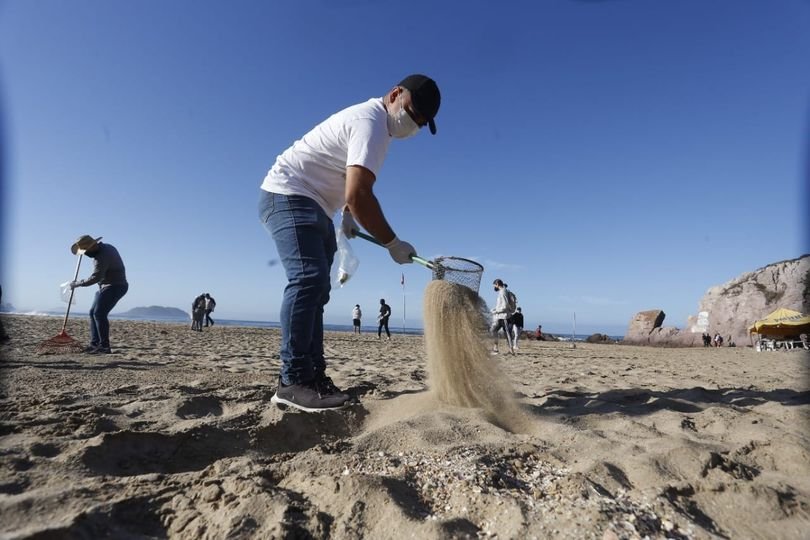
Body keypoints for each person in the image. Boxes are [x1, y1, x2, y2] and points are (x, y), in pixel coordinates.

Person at [258, 74, 441, 412]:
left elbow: (346, 180)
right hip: (288, 194)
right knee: (308, 280)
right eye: (413, 113)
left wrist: (346, 215)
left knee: (318, 291)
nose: (413, 124)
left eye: (421, 123)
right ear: (395, 94)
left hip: (316, 204)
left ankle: (313, 377)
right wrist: (392, 243)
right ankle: (292, 380)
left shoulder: (380, 132)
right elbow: (359, 194)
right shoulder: (370, 121)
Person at [69, 235, 128, 354]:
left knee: (99, 313)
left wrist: (78, 283)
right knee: (93, 313)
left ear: (93, 246)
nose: (85, 254)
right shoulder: (107, 247)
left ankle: (104, 346)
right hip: (106, 286)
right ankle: (95, 343)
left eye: (86, 251)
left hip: (115, 286)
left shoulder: (101, 257)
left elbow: (96, 277)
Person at [490, 279, 516, 355]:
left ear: (497, 284)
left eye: (494, 285)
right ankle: (495, 349)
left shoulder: (503, 292)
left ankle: (511, 350)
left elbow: (505, 306)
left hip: (504, 317)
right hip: (499, 316)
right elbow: (501, 305)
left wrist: (496, 311)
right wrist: (495, 309)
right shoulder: (502, 292)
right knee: (493, 330)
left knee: (507, 333)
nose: (494, 287)